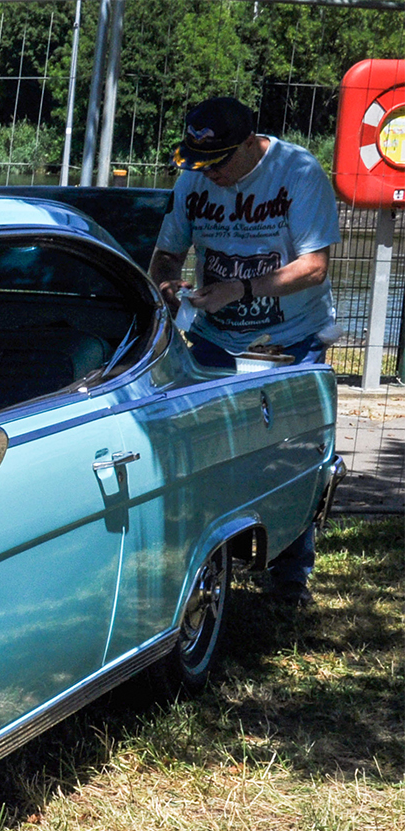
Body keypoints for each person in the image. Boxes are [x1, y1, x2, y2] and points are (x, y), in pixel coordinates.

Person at [149, 96, 337, 603]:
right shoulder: (193, 180)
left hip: (290, 340)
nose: (208, 174)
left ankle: (290, 578)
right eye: (199, 163)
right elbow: (165, 255)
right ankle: (205, 573)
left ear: (250, 145)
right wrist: (170, 290)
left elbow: (314, 266)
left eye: (219, 163)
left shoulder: (298, 171)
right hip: (213, 340)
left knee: (291, 456)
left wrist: (243, 288)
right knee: (207, 455)